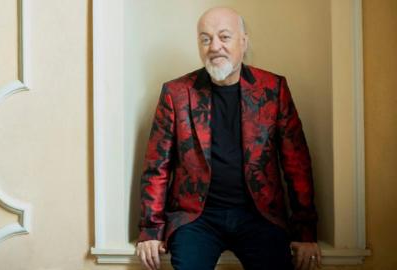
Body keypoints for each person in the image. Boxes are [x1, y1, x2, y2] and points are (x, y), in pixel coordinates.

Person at [136, 7, 321, 270]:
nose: (215, 47)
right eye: (205, 39)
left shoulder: (273, 89)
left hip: (259, 217)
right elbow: (157, 167)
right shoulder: (175, 93)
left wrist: (305, 232)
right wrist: (150, 230)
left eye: (224, 37)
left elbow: (296, 163)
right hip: (196, 219)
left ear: (243, 42)